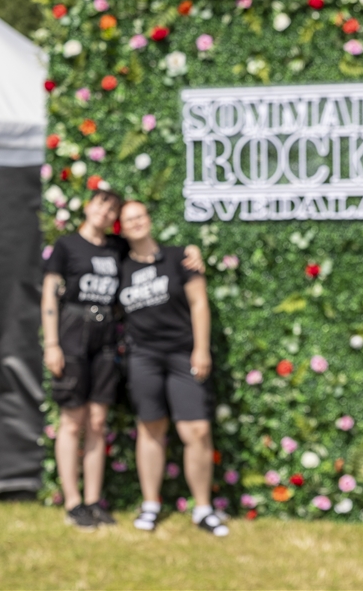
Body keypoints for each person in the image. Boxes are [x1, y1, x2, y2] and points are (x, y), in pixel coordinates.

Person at [42, 190, 203, 530]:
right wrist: (52, 343)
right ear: (87, 206)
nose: (105, 211)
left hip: (106, 340)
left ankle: (93, 501)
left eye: (112, 208)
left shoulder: (117, 248)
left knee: (98, 422)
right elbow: (49, 295)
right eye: (101, 203)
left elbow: (155, 255)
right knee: (72, 421)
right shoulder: (66, 246)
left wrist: (192, 252)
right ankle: (73, 503)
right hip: (71, 335)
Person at [117, 200, 228, 536]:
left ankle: (203, 508)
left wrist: (201, 348)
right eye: (128, 219)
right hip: (143, 357)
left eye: (140, 215)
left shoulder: (181, 257)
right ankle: (151, 505)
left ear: (149, 219)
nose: (136, 222)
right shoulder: (119, 266)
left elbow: (199, 303)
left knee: (197, 431)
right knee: (151, 428)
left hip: (183, 354)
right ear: (121, 229)